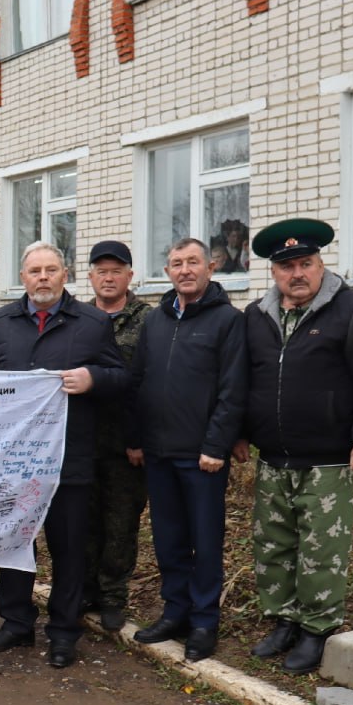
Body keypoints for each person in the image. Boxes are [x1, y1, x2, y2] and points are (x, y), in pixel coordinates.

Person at [235, 219, 353, 674]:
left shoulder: (352, 311)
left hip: (327, 459)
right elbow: (247, 380)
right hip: (273, 458)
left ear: (321, 264)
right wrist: (241, 432)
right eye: (287, 266)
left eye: (306, 263)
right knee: (274, 546)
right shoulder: (257, 317)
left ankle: (317, 630)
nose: (297, 274)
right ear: (274, 272)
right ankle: (283, 620)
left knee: (322, 550)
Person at [0, 242, 127, 668]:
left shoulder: (93, 323)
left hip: (70, 458)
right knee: (14, 543)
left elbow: (122, 378)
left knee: (69, 550)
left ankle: (64, 631)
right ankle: (15, 622)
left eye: (51, 270)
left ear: (65, 275)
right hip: (15, 462)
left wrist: (93, 378)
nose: (42, 278)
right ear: (22, 277)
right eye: (34, 271)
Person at [128, 237, 247, 662]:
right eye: (176, 263)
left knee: (205, 540)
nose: (184, 270)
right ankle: (174, 611)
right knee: (169, 539)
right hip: (158, 454)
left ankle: (203, 622)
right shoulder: (155, 321)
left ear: (210, 267)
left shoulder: (228, 321)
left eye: (192, 262)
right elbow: (139, 381)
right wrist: (136, 440)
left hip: (202, 458)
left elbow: (234, 390)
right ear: (168, 271)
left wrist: (216, 445)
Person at [82, 241, 151, 633]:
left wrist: (138, 437)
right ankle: (86, 589)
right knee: (84, 519)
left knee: (121, 521)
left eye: (116, 270)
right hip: (82, 439)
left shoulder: (147, 320)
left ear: (130, 276)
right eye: (101, 271)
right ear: (90, 277)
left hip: (127, 443)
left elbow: (148, 383)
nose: (108, 277)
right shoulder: (76, 316)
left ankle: (112, 595)